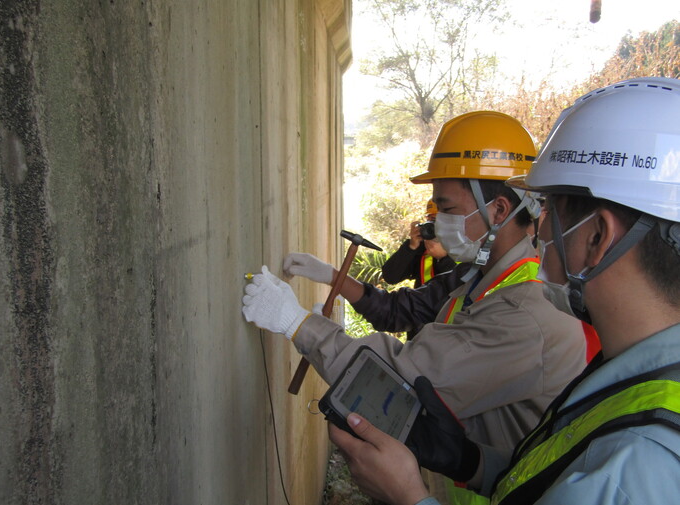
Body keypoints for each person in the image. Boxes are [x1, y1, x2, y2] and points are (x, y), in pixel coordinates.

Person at [328, 76, 680, 505]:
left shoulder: (632, 472)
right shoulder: (629, 374)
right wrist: (468, 459)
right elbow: (552, 480)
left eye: (548, 209)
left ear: (597, 236)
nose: (537, 225)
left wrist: (410, 500)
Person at [243, 111, 587, 461]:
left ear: (498, 210)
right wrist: (333, 278)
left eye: (448, 208)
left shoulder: (525, 313)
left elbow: (399, 381)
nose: (439, 223)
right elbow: (402, 308)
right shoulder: (480, 276)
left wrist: (297, 323)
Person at [381, 199, 455, 288]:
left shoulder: (467, 247)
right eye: (432, 219)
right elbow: (390, 277)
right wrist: (411, 247)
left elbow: (461, 285)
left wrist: (443, 258)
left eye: (440, 220)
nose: (436, 225)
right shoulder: (423, 247)